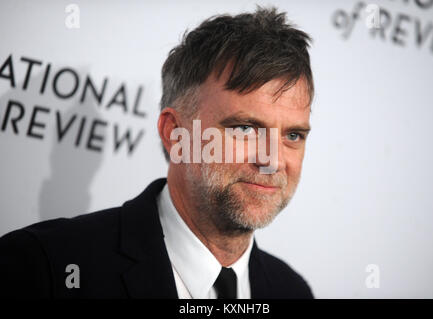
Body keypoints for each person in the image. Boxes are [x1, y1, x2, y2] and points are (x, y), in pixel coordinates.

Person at [0, 6, 314, 299]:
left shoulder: (292, 291)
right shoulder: (43, 267)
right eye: (245, 129)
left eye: (293, 135)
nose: (272, 160)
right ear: (174, 134)